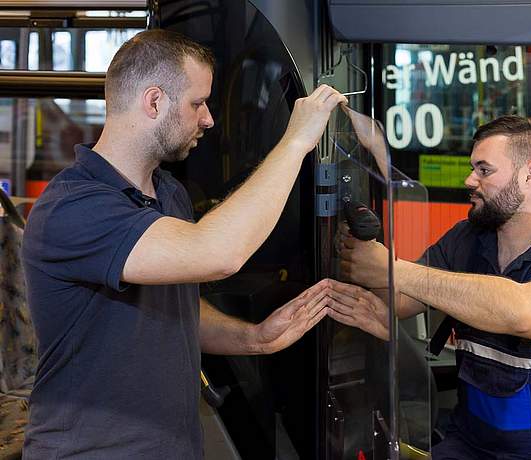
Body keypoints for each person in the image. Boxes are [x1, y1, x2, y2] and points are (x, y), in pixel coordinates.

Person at [20, 30, 346, 459]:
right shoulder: (72, 208)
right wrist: (296, 141)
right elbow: (217, 253)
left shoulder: (168, 193)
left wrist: (254, 339)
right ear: (154, 102)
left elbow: (175, 306)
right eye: (198, 103)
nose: (209, 118)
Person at [329, 115, 531, 459]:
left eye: (484, 170)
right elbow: (401, 302)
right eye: (472, 168)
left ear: (530, 175)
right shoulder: (466, 240)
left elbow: (521, 313)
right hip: (468, 443)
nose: (470, 180)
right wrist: (368, 262)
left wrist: (392, 269)